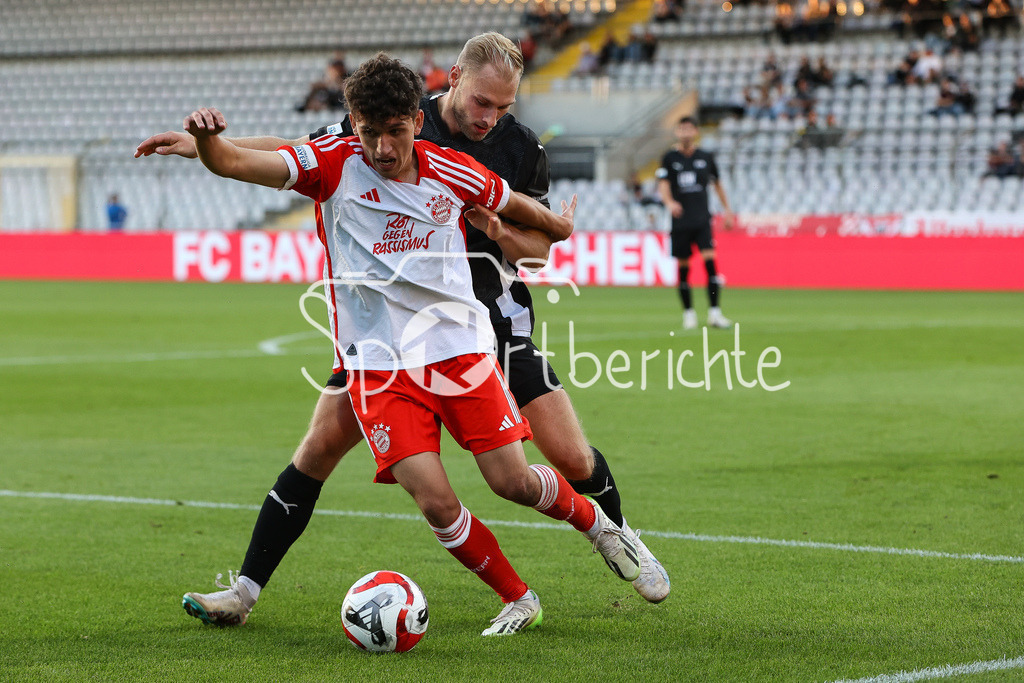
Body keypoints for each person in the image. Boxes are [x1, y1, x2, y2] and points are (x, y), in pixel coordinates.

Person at [136, 32, 670, 626]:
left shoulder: (508, 152)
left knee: (552, 462)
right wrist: (207, 145)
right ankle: (244, 591)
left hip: (485, 318)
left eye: (504, 107)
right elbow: (280, 153)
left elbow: (537, 245)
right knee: (326, 452)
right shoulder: (367, 135)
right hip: (380, 346)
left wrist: (505, 229)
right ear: (453, 81)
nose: (490, 117)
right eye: (482, 103)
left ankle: (617, 531)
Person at [656, 116, 735, 330]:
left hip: (702, 220)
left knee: (711, 265)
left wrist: (727, 210)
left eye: (689, 129)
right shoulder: (669, 157)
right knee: (684, 269)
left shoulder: (706, 157)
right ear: (676, 132)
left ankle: (715, 313)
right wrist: (670, 202)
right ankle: (689, 314)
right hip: (680, 222)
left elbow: (717, 184)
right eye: (681, 129)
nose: (685, 132)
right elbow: (663, 185)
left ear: (695, 131)